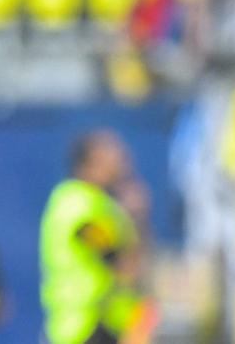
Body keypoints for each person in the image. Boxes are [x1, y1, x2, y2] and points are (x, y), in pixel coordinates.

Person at [40, 130, 156, 344]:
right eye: (111, 151)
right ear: (90, 163)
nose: (121, 158)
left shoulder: (101, 203)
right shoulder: (79, 204)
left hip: (104, 327)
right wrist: (137, 217)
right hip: (84, 328)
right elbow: (124, 266)